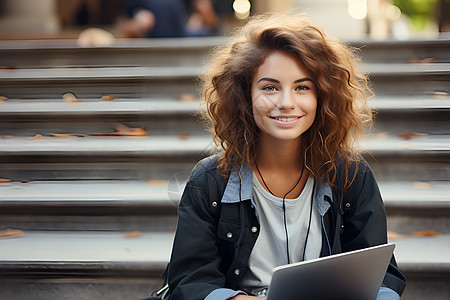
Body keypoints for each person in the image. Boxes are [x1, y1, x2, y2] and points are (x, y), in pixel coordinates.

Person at [165, 13, 407, 300]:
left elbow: (382, 276)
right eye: (270, 87)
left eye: (302, 87)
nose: (286, 103)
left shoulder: (351, 175)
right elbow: (190, 281)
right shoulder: (209, 182)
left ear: (323, 97)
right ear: (245, 95)